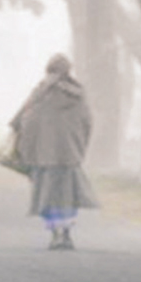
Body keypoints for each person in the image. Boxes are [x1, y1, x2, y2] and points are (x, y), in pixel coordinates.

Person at [9, 53, 98, 250]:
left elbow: (22, 121)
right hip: (69, 155)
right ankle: (66, 233)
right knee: (67, 196)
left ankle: (56, 233)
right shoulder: (78, 94)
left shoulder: (41, 93)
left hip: (43, 157)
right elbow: (87, 123)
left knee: (47, 195)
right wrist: (78, 147)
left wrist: (26, 148)